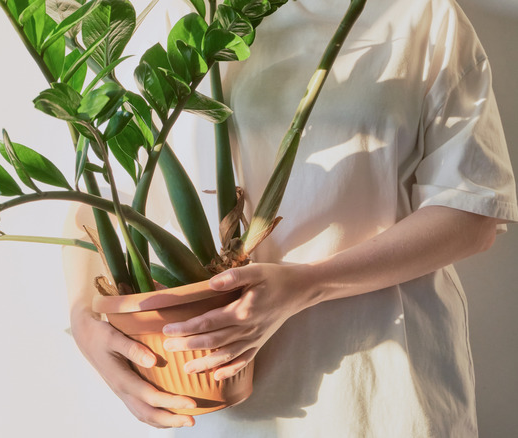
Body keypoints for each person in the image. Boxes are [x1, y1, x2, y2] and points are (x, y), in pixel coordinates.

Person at [63, 0, 518, 436]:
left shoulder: (420, 13)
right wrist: (85, 318)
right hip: (206, 389)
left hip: (380, 388)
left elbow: (471, 210)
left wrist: (306, 285)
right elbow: (105, 188)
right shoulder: (178, 13)